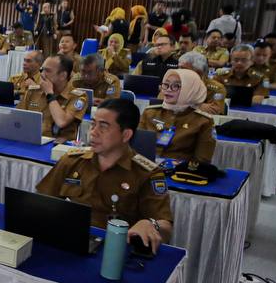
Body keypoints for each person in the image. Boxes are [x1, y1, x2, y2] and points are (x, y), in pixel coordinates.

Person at [36, 98, 173, 249]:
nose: (93, 133)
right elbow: (42, 200)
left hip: (117, 249)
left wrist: (151, 224)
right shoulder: (72, 160)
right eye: (93, 124)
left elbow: (165, 228)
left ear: (126, 135)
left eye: (103, 127)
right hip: (70, 241)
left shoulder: (147, 174)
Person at [138, 69, 217, 165]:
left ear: (190, 89)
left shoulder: (203, 121)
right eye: (166, 84)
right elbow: (136, 148)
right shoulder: (150, 112)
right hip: (145, 169)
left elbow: (202, 160)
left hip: (180, 174)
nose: (168, 89)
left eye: (176, 86)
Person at [18, 54, 87, 142]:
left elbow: (61, 121)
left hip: (58, 147)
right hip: (32, 141)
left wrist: (49, 94)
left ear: (63, 75)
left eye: (47, 71)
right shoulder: (33, 91)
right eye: (42, 70)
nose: (42, 74)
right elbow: (18, 118)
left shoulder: (78, 96)